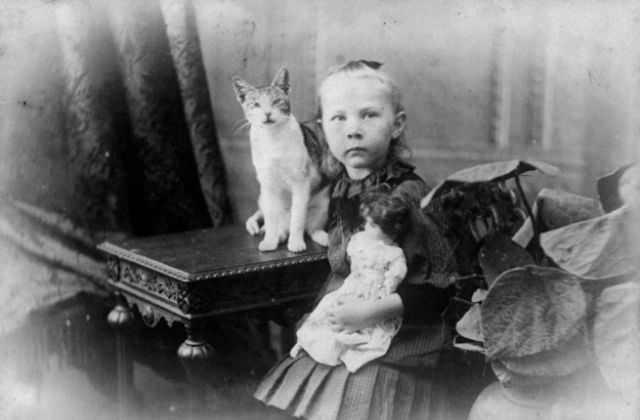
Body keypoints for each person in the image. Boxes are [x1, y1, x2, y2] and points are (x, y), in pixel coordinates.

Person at [254, 60, 456, 420]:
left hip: (397, 324)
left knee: (365, 395)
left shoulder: (406, 194)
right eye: (339, 118)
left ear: (397, 125)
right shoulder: (343, 186)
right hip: (346, 312)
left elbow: (437, 287)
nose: (353, 130)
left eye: (368, 116)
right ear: (321, 129)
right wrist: (269, 215)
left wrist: (369, 312)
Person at [291, 191, 410, 373]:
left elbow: (397, 273)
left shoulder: (394, 253)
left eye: (371, 224)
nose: (366, 226)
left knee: (363, 325)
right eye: (367, 222)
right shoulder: (359, 239)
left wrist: (387, 288)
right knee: (328, 308)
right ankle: (308, 342)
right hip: (353, 285)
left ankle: (346, 349)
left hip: (375, 292)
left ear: (389, 228)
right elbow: (350, 259)